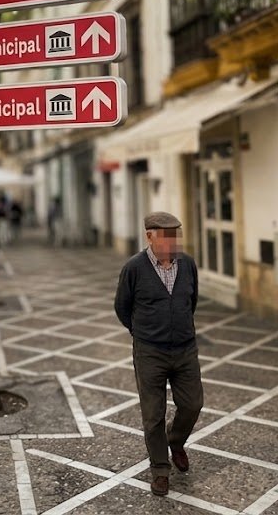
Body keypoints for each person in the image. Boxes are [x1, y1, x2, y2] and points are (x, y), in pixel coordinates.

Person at [114, 212, 202, 497]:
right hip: (150, 351)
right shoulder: (134, 268)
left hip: (185, 349)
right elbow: (122, 307)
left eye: (175, 235)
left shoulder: (187, 264)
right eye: (166, 237)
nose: (172, 242)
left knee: (193, 405)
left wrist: (179, 326)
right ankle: (160, 470)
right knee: (153, 415)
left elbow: (191, 301)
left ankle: (175, 440)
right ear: (149, 237)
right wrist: (143, 332)